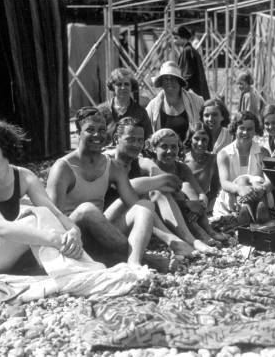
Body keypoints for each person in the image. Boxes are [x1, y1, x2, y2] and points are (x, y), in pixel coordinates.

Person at [0, 119, 83, 278]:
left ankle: (77, 267)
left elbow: (54, 213)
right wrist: (55, 239)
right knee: (32, 223)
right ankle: (74, 268)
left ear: (4, 147)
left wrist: (74, 231)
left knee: (42, 214)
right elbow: (1, 228)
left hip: (2, 249)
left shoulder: (24, 176)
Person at [46, 107, 156, 268]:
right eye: (90, 130)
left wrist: (169, 238)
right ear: (78, 133)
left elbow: (133, 203)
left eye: (102, 130)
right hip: (71, 235)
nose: (97, 135)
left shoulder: (112, 166)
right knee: (87, 209)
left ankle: (134, 261)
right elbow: (53, 218)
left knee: (145, 204)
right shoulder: (63, 168)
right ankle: (148, 260)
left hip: (101, 231)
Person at [102, 117, 199, 258]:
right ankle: (173, 241)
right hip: (106, 225)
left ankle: (189, 239)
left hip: (133, 221)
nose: (136, 144)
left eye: (140, 140)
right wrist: (162, 179)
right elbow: (129, 188)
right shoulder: (106, 162)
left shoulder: (139, 161)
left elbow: (173, 184)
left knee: (157, 192)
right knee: (143, 196)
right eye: (131, 139)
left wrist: (161, 180)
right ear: (117, 138)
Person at [140, 129, 224, 249]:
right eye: (164, 147)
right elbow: (152, 196)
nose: (169, 151)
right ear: (154, 149)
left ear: (178, 149)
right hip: (164, 215)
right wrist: (186, 204)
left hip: (187, 213)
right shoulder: (150, 167)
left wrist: (199, 205)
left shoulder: (180, 167)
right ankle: (198, 233)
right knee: (174, 191)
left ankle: (207, 230)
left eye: (174, 147)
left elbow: (201, 193)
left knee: (187, 186)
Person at [213, 112, 273, 220]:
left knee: (257, 181)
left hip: (259, 195)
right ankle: (248, 212)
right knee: (242, 181)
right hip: (233, 197)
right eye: (242, 128)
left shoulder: (263, 152)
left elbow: (270, 180)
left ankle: (253, 212)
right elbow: (224, 183)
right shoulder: (224, 154)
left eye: (250, 129)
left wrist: (261, 188)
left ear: (255, 131)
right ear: (235, 129)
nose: (245, 132)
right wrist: (240, 189)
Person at [146, 61, 204, 142]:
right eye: (165, 79)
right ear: (161, 83)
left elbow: (205, 128)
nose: (169, 82)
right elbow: (147, 133)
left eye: (173, 78)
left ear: (179, 81)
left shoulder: (197, 101)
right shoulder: (152, 106)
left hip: (190, 152)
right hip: (163, 153)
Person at [97, 67, 152, 143]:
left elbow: (148, 139)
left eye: (126, 84)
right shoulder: (101, 111)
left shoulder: (141, 112)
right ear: (113, 86)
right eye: (119, 84)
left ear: (131, 86)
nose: (123, 87)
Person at [185, 122, 221, 213]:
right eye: (196, 139)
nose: (200, 143)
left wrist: (203, 206)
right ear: (190, 139)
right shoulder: (182, 160)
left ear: (209, 141)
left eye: (204, 140)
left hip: (204, 206)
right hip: (184, 205)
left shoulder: (213, 160)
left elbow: (214, 190)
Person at [174, 25, 210, 100]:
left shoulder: (188, 51)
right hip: (199, 94)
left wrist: (178, 93)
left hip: (196, 95)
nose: (174, 41)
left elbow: (188, 76)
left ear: (183, 38)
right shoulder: (189, 50)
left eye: (176, 38)